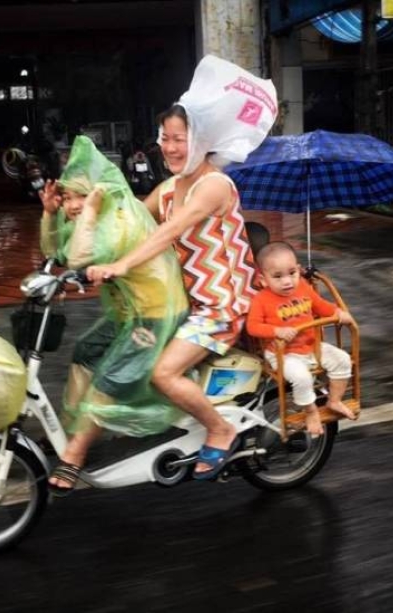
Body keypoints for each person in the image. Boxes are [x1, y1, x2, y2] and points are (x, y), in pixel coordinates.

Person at [87, 103, 261, 480]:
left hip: (220, 306)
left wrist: (123, 265)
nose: (169, 146)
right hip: (184, 302)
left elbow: (170, 230)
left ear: (200, 141)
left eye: (179, 138)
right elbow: (131, 218)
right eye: (165, 138)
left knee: (164, 374)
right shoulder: (168, 189)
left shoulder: (213, 185)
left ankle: (220, 429)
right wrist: (83, 208)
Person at [38, 136, 189, 496]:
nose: (72, 206)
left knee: (110, 374)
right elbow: (57, 253)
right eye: (68, 197)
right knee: (86, 350)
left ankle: (74, 454)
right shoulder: (93, 218)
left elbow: (79, 259)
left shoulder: (119, 217)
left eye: (80, 195)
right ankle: (71, 431)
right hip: (128, 316)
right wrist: (48, 213)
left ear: (99, 193)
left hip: (155, 316)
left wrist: (89, 210)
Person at [246, 241, 358, 437]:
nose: (287, 281)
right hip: (282, 354)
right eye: (278, 277)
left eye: (292, 273)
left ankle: (334, 400)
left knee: (342, 359)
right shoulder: (261, 299)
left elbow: (321, 306)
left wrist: (338, 313)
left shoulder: (304, 288)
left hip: (311, 346)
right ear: (263, 280)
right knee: (302, 378)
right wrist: (276, 331)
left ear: (299, 270)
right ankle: (311, 411)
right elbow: (253, 327)